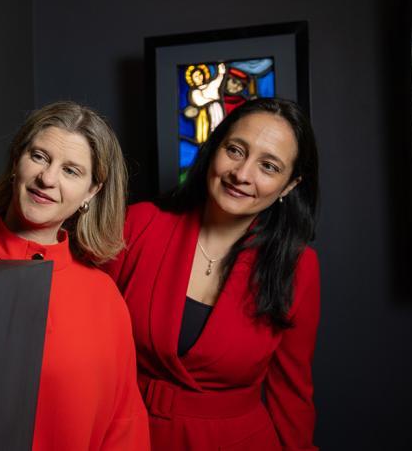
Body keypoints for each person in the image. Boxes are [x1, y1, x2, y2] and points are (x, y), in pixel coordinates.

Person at [103, 97, 320, 450]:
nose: (242, 174)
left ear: (290, 186)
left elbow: (291, 392)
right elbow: (83, 341)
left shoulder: (298, 266)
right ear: (214, 148)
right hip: (129, 432)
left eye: (268, 166)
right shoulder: (137, 224)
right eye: (235, 150)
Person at [0, 101, 151, 451]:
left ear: (92, 192)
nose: (47, 179)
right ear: (16, 162)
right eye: (39, 156)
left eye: (71, 171)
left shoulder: (104, 296)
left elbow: (124, 424)